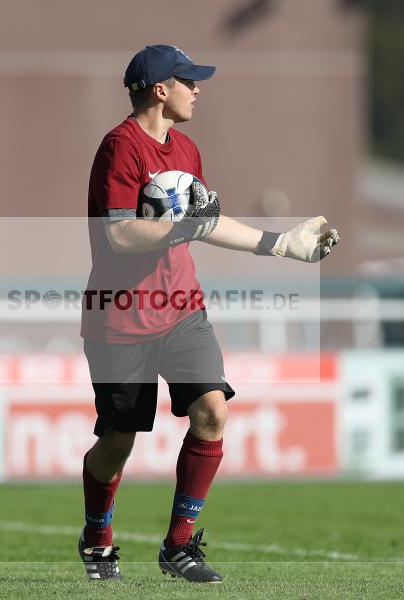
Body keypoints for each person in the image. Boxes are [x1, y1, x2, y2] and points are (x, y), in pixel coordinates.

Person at [78, 44, 340, 583]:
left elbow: (206, 223)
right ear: (160, 89)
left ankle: (179, 548)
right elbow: (121, 234)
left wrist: (283, 244)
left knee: (213, 411)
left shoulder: (188, 150)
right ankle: (98, 537)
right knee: (118, 442)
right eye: (188, 81)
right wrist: (183, 226)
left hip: (180, 310)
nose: (197, 89)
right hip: (120, 318)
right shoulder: (119, 149)